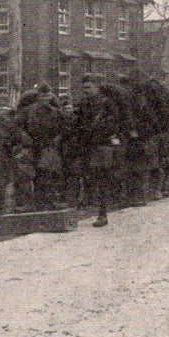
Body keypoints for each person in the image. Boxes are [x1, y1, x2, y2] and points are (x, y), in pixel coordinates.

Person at [72, 74, 122, 227]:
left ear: (97, 87)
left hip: (102, 145)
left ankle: (103, 213)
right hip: (87, 145)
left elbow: (114, 124)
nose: (86, 90)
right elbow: (78, 124)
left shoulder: (107, 103)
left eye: (89, 87)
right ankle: (89, 208)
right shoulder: (83, 104)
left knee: (102, 178)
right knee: (88, 178)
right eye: (84, 88)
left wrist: (96, 131)